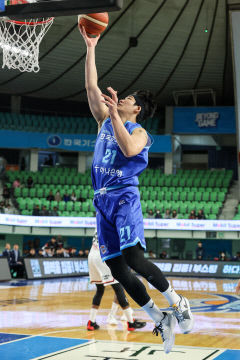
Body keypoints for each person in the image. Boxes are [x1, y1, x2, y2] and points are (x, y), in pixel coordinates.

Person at [79, 25, 194, 354]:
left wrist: (115, 114)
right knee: (115, 268)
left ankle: (177, 300)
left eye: (127, 100)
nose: (121, 100)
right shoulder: (104, 120)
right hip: (101, 201)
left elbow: (129, 149)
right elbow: (90, 86)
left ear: (136, 109)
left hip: (124, 196)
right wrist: (90, 47)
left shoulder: (139, 130)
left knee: (134, 258)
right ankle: (159, 317)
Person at [87, 231, 146, 331]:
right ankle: (130, 322)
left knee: (100, 290)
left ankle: (91, 322)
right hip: (103, 256)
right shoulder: (115, 222)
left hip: (92, 255)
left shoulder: (100, 219)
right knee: (119, 288)